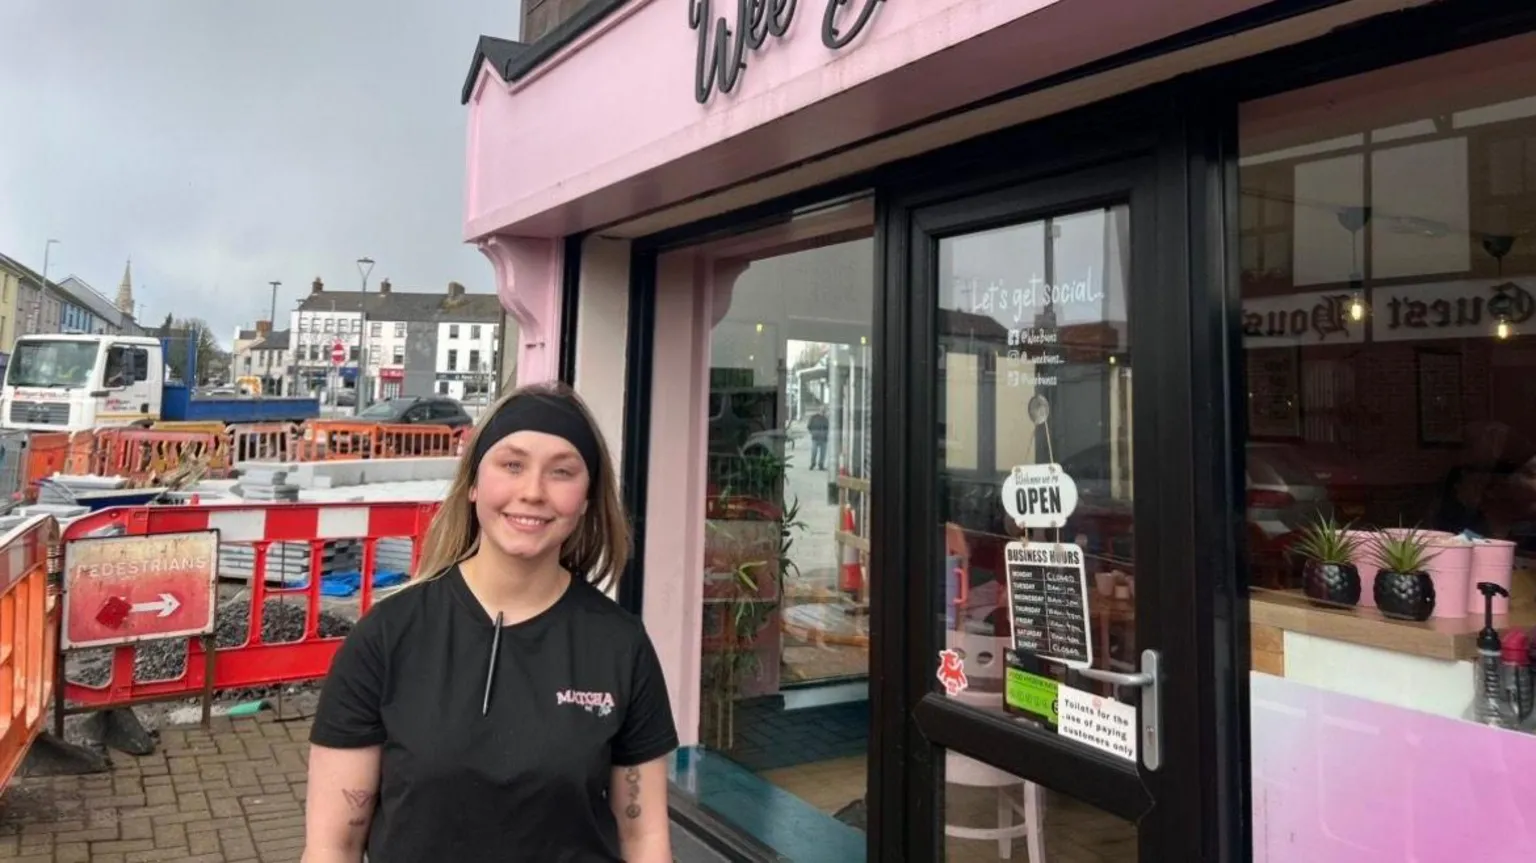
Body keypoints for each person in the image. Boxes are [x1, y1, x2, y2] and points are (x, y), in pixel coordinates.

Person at [302, 382, 678, 863]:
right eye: (512, 465)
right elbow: (333, 846)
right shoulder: (386, 637)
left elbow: (643, 840)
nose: (533, 492)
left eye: (562, 472)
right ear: (474, 482)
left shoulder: (620, 646)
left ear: (586, 498)